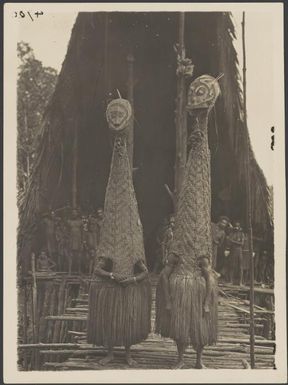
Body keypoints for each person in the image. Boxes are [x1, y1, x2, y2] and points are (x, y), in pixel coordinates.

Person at [156, 75, 220, 369]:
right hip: (182, 282)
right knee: (182, 325)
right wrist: (167, 299)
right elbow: (164, 274)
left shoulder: (203, 254)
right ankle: (182, 357)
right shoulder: (176, 250)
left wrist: (208, 301)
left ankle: (198, 359)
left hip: (194, 282)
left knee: (198, 325)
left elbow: (209, 276)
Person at [87, 97, 151, 367]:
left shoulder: (134, 240)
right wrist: (113, 275)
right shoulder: (109, 240)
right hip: (115, 284)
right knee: (112, 319)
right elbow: (98, 269)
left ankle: (126, 354)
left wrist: (133, 281)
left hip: (127, 285)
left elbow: (145, 270)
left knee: (126, 319)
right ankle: (111, 352)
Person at [67, 209, 83, 274]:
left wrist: (82, 241)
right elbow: (66, 231)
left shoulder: (80, 222)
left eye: (75, 213)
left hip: (78, 239)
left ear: (77, 214)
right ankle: (69, 271)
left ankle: (79, 270)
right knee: (70, 256)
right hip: (71, 239)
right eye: (73, 213)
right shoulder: (69, 222)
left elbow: (83, 232)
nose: (74, 214)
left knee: (79, 256)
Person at [228, 221, 245, 285]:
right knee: (232, 265)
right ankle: (230, 281)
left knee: (240, 266)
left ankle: (240, 282)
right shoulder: (232, 233)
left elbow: (242, 243)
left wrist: (233, 241)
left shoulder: (241, 234)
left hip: (239, 250)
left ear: (240, 227)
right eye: (235, 226)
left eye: (237, 226)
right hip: (233, 250)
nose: (236, 227)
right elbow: (229, 241)